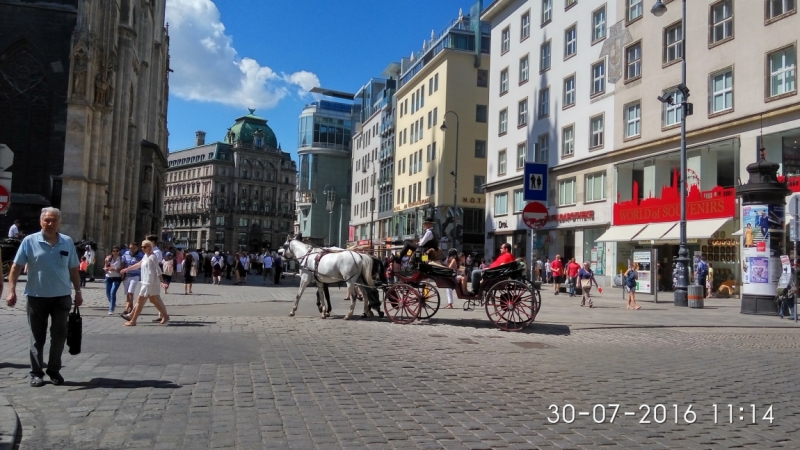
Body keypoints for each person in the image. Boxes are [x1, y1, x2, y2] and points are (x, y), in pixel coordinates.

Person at [6, 207, 82, 387]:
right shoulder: (29, 241)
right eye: (47, 220)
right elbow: (16, 267)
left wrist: (78, 291)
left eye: (53, 220)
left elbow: (73, 269)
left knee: (59, 336)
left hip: (62, 297)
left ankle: (54, 370)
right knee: (36, 337)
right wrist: (11, 290)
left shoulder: (67, 242)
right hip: (36, 297)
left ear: (59, 222)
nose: (50, 223)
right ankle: (36, 373)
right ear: (41, 222)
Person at [120, 240, 169, 326]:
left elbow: (158, 270)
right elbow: (139, 264)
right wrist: (127, 269)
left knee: (140, 301)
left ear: (150, 247)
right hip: (146, 281)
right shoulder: (146, 256)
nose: (143, 248)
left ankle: (133, 320)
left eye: (145, 247)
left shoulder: (152, 257)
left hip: (149, 282)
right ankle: (165, 316)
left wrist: (161, 281)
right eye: (142, 247)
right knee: (154, 300)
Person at [120, 242, 143, 316]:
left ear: (137, 248)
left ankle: (126, 309)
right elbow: (122, 262)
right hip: (126, 275)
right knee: (127, 293)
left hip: (135, 275)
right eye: (130, 248)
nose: (131, 250)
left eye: (133, 248)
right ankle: (131, 307)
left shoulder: (140, 256)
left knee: (131, 291)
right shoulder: (126, 254)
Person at [104, 246, 123, 315]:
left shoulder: (121, 258)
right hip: (108, 277)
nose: (115, 252)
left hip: (117, 277)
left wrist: (114, 269)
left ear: (119, 251)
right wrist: (106, 269)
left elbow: (122, 269)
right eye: (114, 251)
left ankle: (111, 309)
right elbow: (105, 267)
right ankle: (113, 303)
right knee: (108, 293)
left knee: (112, 292)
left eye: (117, 251)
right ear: (112, 252)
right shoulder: (108, 258)